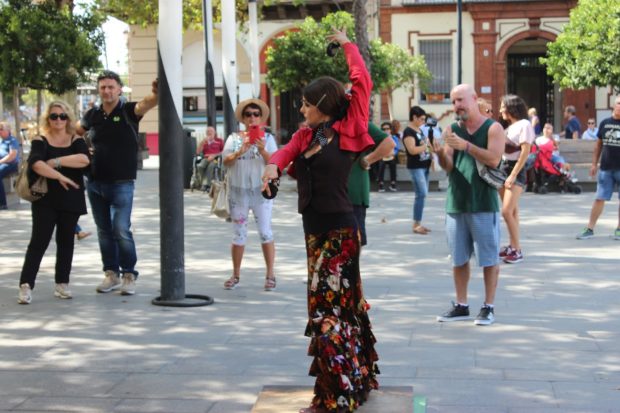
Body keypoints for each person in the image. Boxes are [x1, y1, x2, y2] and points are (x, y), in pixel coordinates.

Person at [262, 29, 379, 413]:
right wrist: (271, 170)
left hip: (341, 231)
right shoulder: (305, 135)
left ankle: (337, 396)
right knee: (339, 307)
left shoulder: (349, 129)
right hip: (314, 235)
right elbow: (283, 154)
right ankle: (355, 381)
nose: (302, 109)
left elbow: (362, 80)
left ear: (323, 103)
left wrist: (346, 44)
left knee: (328, 311)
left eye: (307, 103)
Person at [76, 70, 158, 296]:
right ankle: (111, 274)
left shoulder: (129, 110)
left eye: (111, 87)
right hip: (94, 182)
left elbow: (146, 104)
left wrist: (156, 93)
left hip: (121, 182)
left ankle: (129, 274)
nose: (107, 91)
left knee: (121, 229)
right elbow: (75, 132)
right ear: (99, 90)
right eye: (103, 87)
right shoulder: (92, 114)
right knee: (104, 231)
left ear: (119, 89)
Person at [433, 84, 504, 326]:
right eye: (453, 102)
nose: (457, 106)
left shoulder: (493, 128)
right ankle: (462, 305)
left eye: (461, 100)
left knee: (489, 258)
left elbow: (494, 160)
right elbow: (449, 167)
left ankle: (488, 307)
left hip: (484, 202)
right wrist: (440, 154)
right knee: (458, 258)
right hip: (456, 203)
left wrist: (467, 147)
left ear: (474, 99)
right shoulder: (452, 129)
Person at [17, 101, 90, 304]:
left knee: (66, 242)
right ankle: (25, 285)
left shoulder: (76, 139)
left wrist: (56, 162)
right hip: (45, 199)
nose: (58, 120)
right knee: (38, 242)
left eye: (62, 116)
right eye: (54, 116)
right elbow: (37, 164)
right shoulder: (41, 140)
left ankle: (62, 284)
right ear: (48, 119)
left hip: (71, 199)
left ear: (68, 118)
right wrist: (61, 177)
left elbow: (84, 160)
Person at [221, 98, 278, 291]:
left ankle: (270, 274)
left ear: (261, 118)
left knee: (265, 232)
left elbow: (276, 163)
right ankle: (235, 275)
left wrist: (262, 151)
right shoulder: (234, 138)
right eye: (248, 115)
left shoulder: (268, 139)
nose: (252, 118)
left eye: (256, 114)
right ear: (243, 119)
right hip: (239, 193)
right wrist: (239, 151)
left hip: (261, 192)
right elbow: (225, 161)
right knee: (238, 235)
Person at [576, 95, 620, 240]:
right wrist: (594, 164)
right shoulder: (605, 123)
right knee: (599, 198)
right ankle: (589, 228)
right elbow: (598, 145)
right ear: (614, 105)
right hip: (606, 168)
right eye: (619, 103)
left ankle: (619, 229)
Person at [498, 95, 535, 264]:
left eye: (502, 107)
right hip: (502, 168)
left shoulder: (524, 125)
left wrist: (513, 174)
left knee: (506, 211)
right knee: (512, 211)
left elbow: (525, 151)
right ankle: (512, 246)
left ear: (511, 107)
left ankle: (517, 249)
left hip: (515, 170)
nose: (500, 110)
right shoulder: (508, 126)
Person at [349, 122, 394, 246]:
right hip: (330, 196)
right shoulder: (326, 125)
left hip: (354, 194)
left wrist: (368, 159)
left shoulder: (360, 123)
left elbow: (389, 143)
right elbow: (320, 147)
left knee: (353, 244)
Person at [402, 105, 433, 234]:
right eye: (421, 119)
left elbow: (429, 148)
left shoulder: (419, 131)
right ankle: (416, 224)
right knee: (421, 194)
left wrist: (429, 147)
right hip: (416, 167)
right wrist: (426, 146)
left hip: (424, 166)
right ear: (414, 117)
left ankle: (418, 222)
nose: (423, 122)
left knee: (422, 195)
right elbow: (412, 150)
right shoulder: (408, 132)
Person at [195, 126, 224, 191]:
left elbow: (223, 151)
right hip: (206, 158)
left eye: (211, 131)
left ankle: (207, 185)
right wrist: (202, 142)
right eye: (208, 131)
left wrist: (214, 156)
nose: (209, 133)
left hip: (216, 159)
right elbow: (197, 152)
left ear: (214, 133)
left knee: (211, 166)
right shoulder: (204, 142)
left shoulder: (219, 141)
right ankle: (204, 183)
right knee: (200, 166)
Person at [0, 122, 20, 210]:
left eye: (1, 129)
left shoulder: (12, 140)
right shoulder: (1, 141)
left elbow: (12, 155)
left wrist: (0, 161)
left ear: (8, 130)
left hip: (11, 164)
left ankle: (3, 203)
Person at [376, 122, 399, 193]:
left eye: (387, 129)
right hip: (382, 156)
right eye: (384, 129)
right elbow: (377, 148)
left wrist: (393, 154)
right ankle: (380, 184)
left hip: (391, 156)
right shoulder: (380, 138)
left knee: (393, 164)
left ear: (390, 130)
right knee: (381, 165)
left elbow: (397, 148)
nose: (386, 130)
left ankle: (393, 183)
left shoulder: (394, 137)